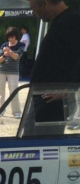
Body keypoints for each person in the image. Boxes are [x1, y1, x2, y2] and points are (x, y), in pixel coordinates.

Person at [25, 0, 80, 135]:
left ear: (45, 4)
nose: (34, 13)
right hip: (45, 95)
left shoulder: (72, 23)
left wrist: (68, 88)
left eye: (34, 8)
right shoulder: (61, 22)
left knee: (40, 145)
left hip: (53, 99)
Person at [0, 27, 25, 119]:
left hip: (13, 72)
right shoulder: (3, 45)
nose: (10, 39)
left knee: (14, 91)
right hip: (1, 70)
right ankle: (0, 110)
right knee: (1, 92)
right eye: (9, 37)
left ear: (16, 36)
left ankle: (16, 111)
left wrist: (9, 52)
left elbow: (17, 57)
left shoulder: (21, 45)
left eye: (12, 37)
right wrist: (4, 55)